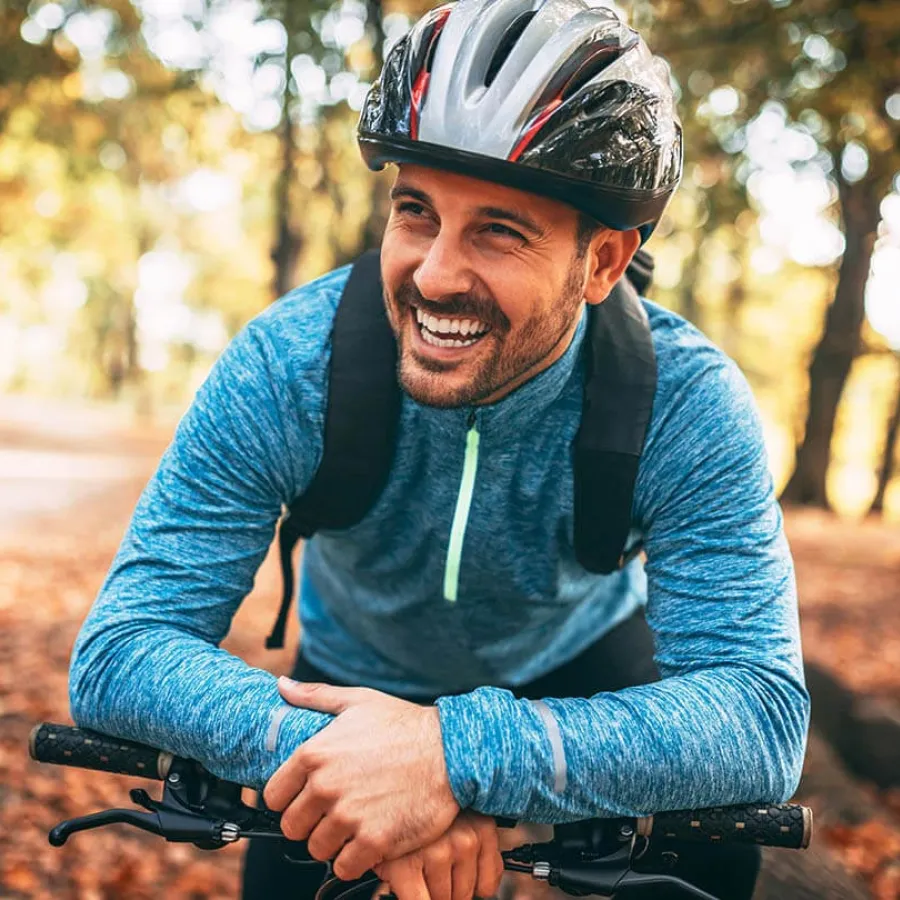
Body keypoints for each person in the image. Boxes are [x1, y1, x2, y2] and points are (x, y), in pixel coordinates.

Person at [68, 1, 810, 898]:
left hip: (578, 663)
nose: (434, 275)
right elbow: (123, 647)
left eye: (499, 230)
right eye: (416, 212)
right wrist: (362, 761)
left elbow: (758, 715)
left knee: (715, 861)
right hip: (350, 677)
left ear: (604, 262)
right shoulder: (288, 366)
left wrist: (452, 757)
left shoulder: (685, 402)